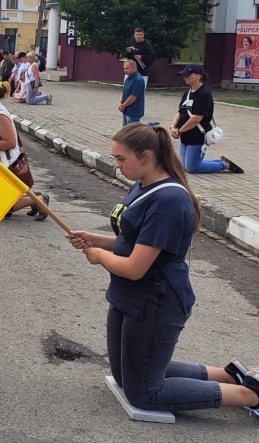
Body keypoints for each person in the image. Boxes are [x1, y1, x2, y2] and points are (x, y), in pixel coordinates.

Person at [66, 123, 259, 415]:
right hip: (129, 295)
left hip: (155, 301)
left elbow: (134, 267)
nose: (116, 164)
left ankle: (249, 393)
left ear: (145, 155)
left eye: (121, 159)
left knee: (144, 393)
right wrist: (98, 241)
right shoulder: (143, 184)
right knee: (124, 376)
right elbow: (132, 241)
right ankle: (230, 374)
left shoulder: (168, 200)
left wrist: (98, 256)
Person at [0, 79, 48, 220]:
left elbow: (10, 142)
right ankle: (32, 198)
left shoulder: (0, 115)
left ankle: (38, 200)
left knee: (4, 208)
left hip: (4, 164)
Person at [170, 64, 243, 175]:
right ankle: (219, 162)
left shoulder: (204, 94)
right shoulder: (188, 93)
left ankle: (224, 165)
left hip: (197, 135)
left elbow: (196, 118)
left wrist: (180, 131)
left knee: (192, 168)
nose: (185, 77)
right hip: (185, 135)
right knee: (185, 166)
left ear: (198, 76)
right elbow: (180, 111)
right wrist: (173, 126)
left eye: (188, 75)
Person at [118, 58, 145, 126]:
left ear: (134, 68)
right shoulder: (128, 78)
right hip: (126, 110)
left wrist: (123, 106)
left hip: (134, 111)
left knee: (131, 133)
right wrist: (120, 102)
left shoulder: (138, 80)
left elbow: (133, 96)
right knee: (124, 131)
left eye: (127, 68)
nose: (125, 70)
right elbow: (124, 91)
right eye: (124, 68)